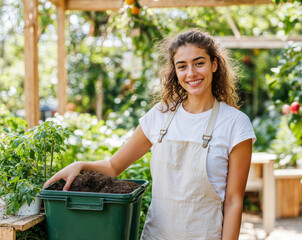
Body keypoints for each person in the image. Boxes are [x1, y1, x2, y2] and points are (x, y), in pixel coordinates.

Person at [44, 29, 256, 240]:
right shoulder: (160, 116)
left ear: (214, 64)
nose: (191, 73)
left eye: (199, 63)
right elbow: (113, 166)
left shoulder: (235, 124)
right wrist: (80, 165)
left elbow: (233, 201)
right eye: (182, 66)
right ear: (175, 71)